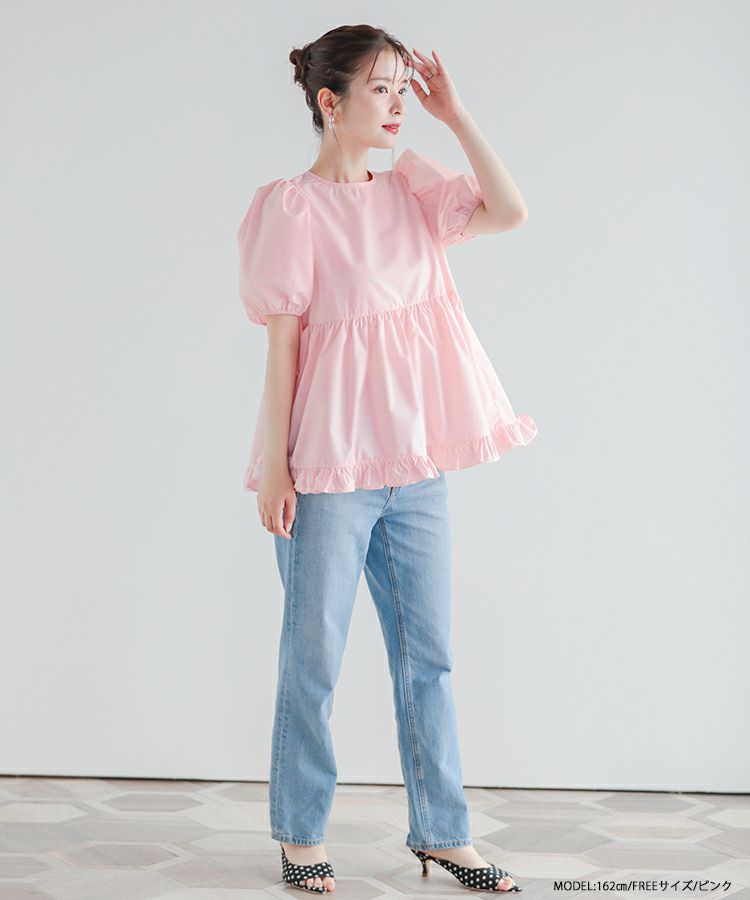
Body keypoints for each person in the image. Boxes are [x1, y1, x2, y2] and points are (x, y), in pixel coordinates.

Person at [236, 24, 536, 894]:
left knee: (428, 657)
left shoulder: (411, 188)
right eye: (382, 88)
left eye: (404, 88)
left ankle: (443, 834)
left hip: (415, 466)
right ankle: (300, 836)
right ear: (330, 102)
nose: (399, 104)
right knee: (314, 661)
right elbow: (283, 346)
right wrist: (276, 466)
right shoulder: (292, 208)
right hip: (328, 471)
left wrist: (456, 115)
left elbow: (510, 212)